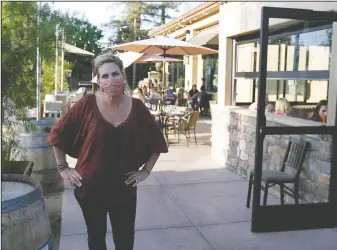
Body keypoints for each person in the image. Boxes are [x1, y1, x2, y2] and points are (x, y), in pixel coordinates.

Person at [47, 52, 168, 250]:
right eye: (104, 76)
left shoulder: (137, 108)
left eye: (115, 74)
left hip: (124, 190)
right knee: (96, 240)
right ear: (98, 80)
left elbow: (157, 142)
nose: (111, 80)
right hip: (90, 189)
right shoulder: (86, 105)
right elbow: (57, 135)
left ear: (123, 75)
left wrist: (145, 171)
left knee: (125, 241)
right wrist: (63, 167)